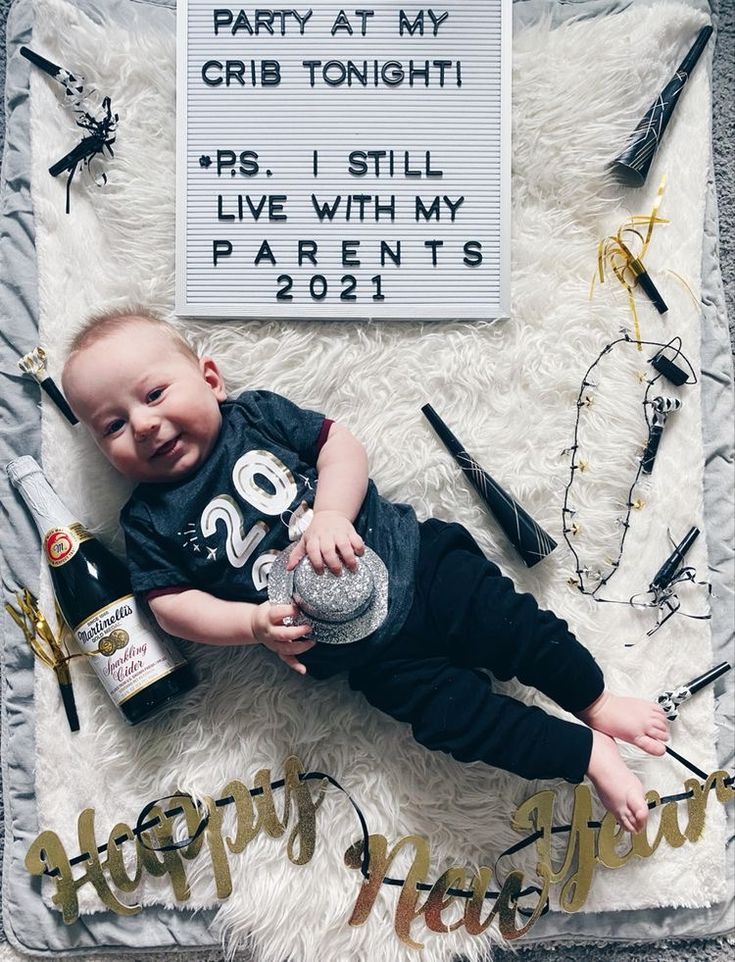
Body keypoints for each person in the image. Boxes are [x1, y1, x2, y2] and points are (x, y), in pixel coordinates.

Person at [61, 309, 670, 834]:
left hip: (420, 565)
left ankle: (594, 698)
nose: (141, 424)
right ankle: (584, 751)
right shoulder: (147, 522)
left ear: (210, 378)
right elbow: (168, 605)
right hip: (368, 657)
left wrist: (329, 513)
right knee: (454, 723)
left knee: (517, 628)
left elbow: (340, 446)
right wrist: (249, 623)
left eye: (154, 394)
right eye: (112, 424)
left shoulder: (257, 419)